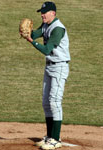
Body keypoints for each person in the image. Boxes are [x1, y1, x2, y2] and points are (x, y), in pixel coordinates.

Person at [24, 1, 71, 150]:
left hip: (59, 67)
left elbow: (47, 50)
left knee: (54, 101)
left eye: (45, 13)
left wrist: (31, 41)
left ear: (53, 13)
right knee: (46, 102)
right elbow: (35, 34)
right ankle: (49, 137)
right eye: (41, 12)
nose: (42, 15)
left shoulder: (58, 29)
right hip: (49, 67)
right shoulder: (46, 25)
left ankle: (56, 139)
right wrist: (26, 33)